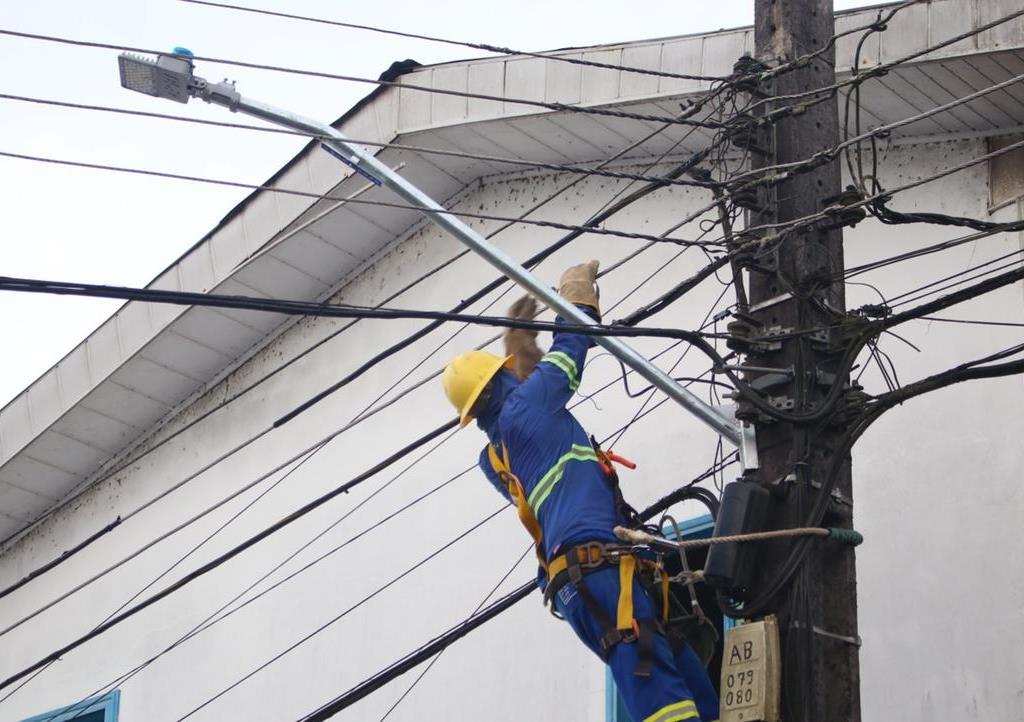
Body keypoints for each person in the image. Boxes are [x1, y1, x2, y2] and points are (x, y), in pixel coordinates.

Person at [442, 261, 720, 722]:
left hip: (578, 589)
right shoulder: (533, 402)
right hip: (601, 574)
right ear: (503, 377)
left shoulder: (492, 461)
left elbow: (526, 423)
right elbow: (573, 342)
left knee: (682, 674)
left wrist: (524, 371)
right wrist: (575, 293)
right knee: (657, 691)